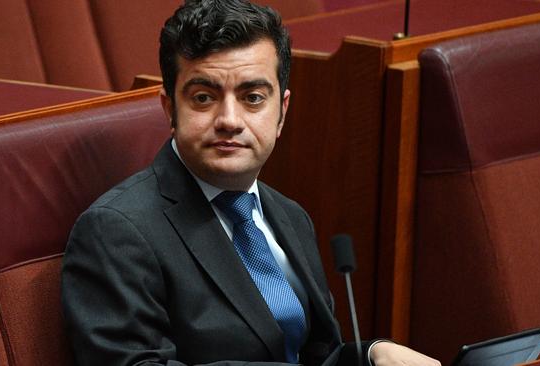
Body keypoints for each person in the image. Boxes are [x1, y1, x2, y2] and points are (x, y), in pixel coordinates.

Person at [61, 1, 440, 365]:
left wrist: (372, 354)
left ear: (282, 112)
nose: (229, 119)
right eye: (204, 97)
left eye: (253, 97)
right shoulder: (117, 231)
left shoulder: (289, 215)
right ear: (169, 109)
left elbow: (314, 355)